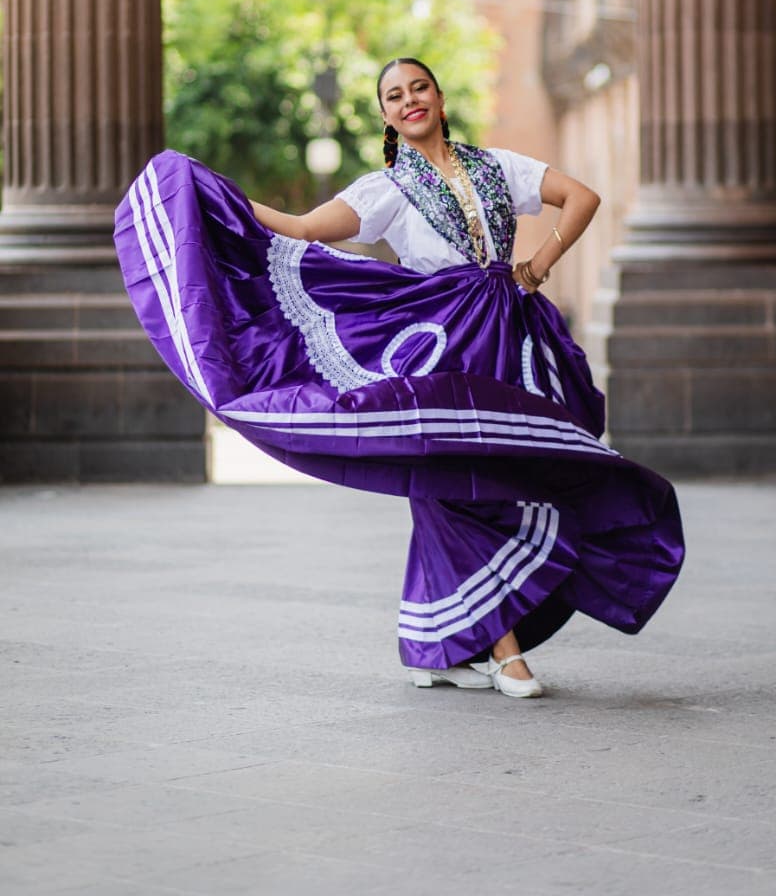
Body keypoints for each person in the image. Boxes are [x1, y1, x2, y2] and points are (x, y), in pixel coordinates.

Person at [115, 57, 684, 700]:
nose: (408, 100)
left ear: (440, 98)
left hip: (511, 335)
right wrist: (213, 198)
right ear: (385, 115)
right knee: (452, 482)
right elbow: (302, 230)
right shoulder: (384, 190)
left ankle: (440, 646)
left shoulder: (497, 167)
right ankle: (504, 651)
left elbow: (582, 197)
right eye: (393, 95)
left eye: (418, 88)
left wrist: (536, 264)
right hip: (443, 343)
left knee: (523, 470)